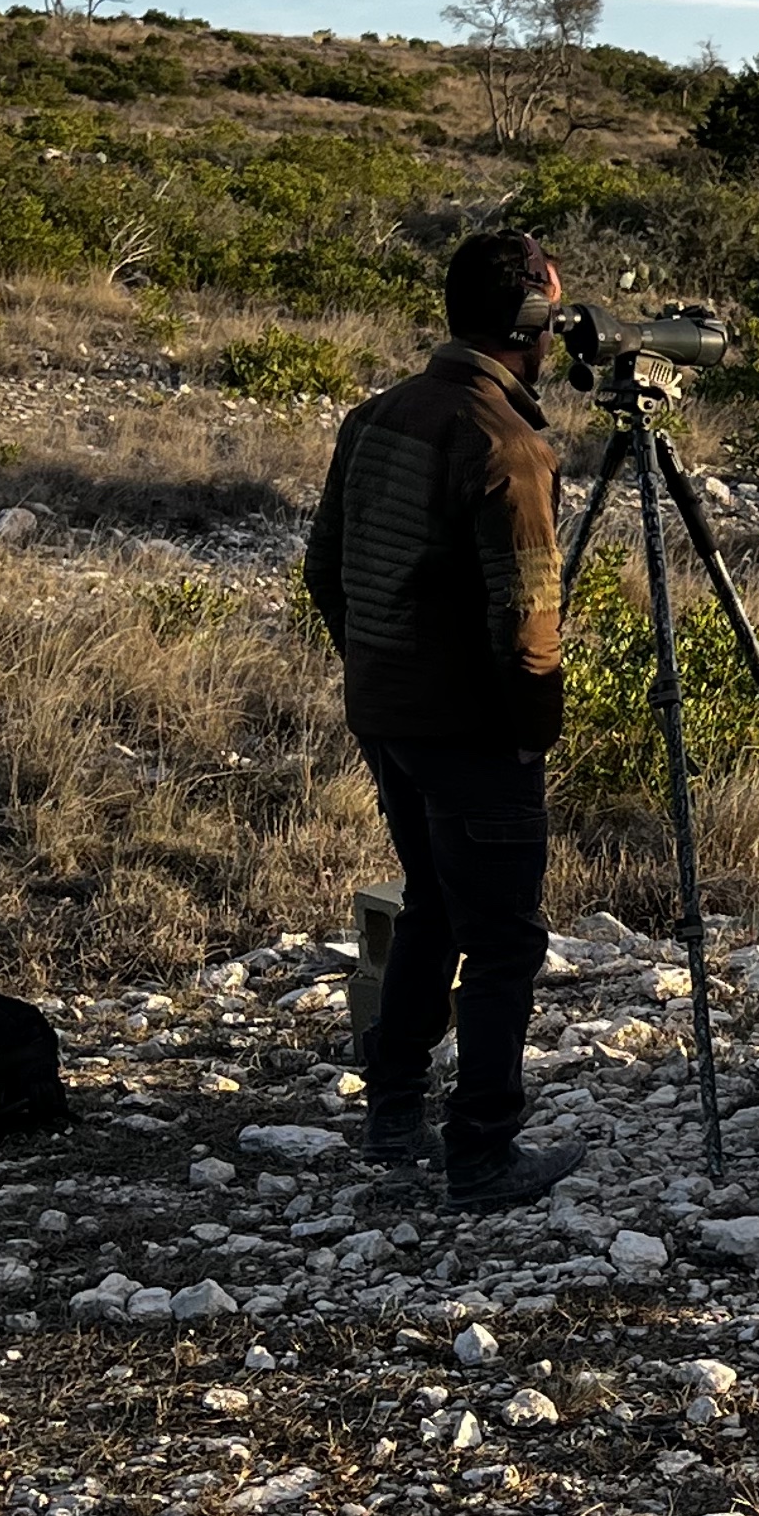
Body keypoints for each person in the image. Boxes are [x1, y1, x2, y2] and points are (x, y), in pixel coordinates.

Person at [304, 225, 585, 1213]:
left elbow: (324, 571)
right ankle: (482, 1151)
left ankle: (393, 1109)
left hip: (389, 717)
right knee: (504, 938)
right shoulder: (505, 445)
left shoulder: (377, 415)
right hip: (469, 733)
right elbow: (527, 619)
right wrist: (529, 731)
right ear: (533, 323)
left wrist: (381, 668)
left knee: (432, 901)